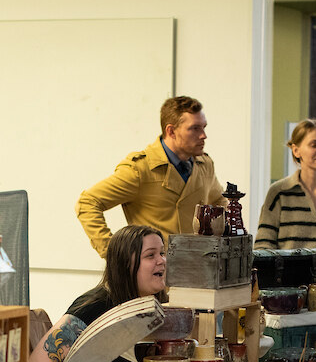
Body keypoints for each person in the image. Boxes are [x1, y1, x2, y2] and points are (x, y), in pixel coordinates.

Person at [30, 225, 167, 362]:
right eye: (150, 255)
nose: (162, 261)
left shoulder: (150, 307)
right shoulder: (94, 307)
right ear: (125, 264)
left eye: (162, 253)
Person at [76, 96, 224, 258]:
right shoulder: (140, 169)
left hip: (197, 271)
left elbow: (220, 201)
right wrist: (112, 252)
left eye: (204, 127)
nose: (203, 135)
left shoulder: (205, 165)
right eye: (195, 128)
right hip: (155, 274)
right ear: (171, 131)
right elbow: (88, 202)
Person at [254, 119, 316, 282]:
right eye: (314, 144)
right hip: (287, 295)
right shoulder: (279, 192)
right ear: (296, 150)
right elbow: (263, 246)